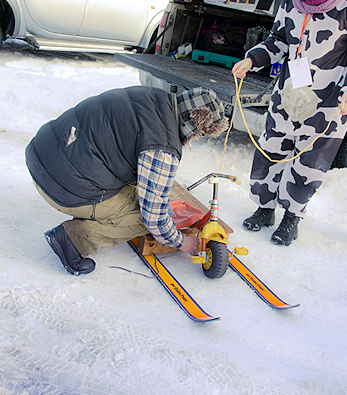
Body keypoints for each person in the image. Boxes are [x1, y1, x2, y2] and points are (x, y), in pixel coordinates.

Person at [232, 0, 347, 246]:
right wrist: (253, 59)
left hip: (329, 100)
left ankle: (291, 218)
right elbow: (279, 40)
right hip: (289, 94)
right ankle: (264, 208)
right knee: (270, 149)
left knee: (310, 161)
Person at [25, 85, 228, 275]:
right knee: (145, 219)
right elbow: (154, 219)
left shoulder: (153, 96)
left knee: (142, 195)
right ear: (194, 122)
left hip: (43, 152)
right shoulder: (162, 146)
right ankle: (73, 240)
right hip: (59, 185)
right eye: (201, 133)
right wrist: (182, 242)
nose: (198, 138)